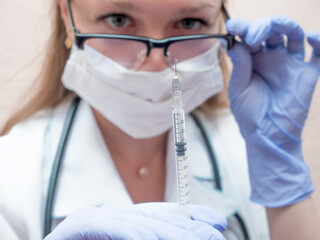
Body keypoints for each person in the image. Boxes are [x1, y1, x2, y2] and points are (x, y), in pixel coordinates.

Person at [0, 0, 320, 239]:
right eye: (119, 19)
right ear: (67, 16)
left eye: (189, 22)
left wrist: (283, 180)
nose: (156, 62)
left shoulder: (246, 153)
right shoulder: (10, 175)